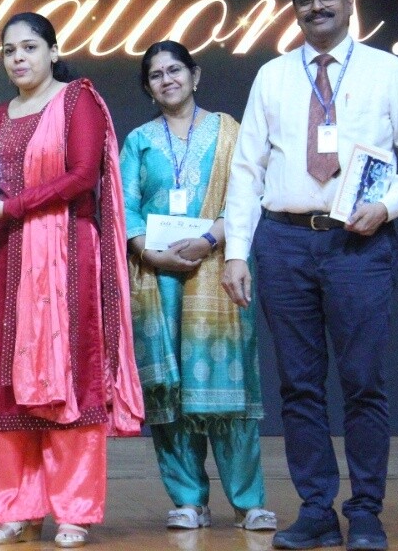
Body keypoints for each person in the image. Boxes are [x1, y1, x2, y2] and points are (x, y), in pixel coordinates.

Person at [222, 0, 398, 551]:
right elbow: (246, 170)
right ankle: (316, 510)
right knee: (299, 385)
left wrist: (387, 206)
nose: (316, 7)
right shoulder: (272, 76)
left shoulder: (386, 71)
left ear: (348, 1)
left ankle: (365, 511)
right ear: (294, 10)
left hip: (357, 244)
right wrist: (236, 252)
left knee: (362, 381)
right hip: (284, 241)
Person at [0, 12, 143, 549]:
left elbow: (82, 176)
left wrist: (9, 207)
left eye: (30, 47)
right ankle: (18, 509)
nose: (18, 58)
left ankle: (74, 511)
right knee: (7, 382)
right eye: (9, 50)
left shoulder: (77, 101)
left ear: (53, 52)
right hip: (7, 257)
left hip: (67, 254)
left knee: (70, 376)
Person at [119, 40, 274, 533]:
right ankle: (188, 500)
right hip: (158, 277)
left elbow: (247, 195)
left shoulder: (230, 131)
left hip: (218, 269)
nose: (167, 80)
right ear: (148, 87)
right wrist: (148, 252)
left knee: (228, 392)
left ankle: (249, 503)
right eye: (156, 75)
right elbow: (124, 205)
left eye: (175, 70)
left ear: (195, 75)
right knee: (170, 392)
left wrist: (208, 239)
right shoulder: (139, 141)